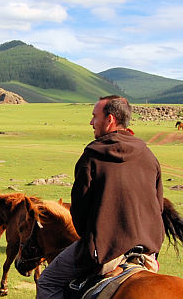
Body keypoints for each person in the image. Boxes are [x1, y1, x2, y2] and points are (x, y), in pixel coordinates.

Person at [36, 95, 164, 299]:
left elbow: (80, 212)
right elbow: (158, 206)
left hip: (106, 248)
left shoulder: (93, 156)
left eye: (94, 116)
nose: (91, 122)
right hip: (147, 249)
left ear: (110, 119)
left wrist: (94, 238)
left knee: (48, 282)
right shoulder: (148, 155)